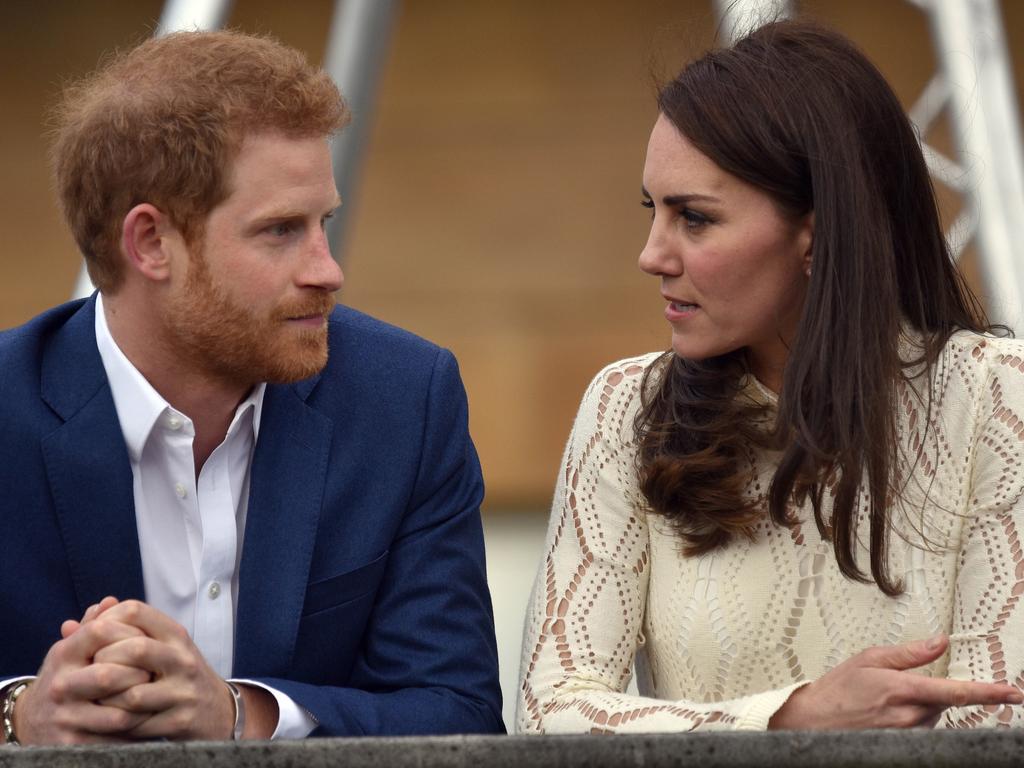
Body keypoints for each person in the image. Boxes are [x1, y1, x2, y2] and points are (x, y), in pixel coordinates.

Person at [517, 19, 1024, 733]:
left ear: (814, 232)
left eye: (694, 218)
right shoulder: (628, 406)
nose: (651, 254)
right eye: (652, 210)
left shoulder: (997, 396)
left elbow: (1001, 724)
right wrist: (787, 722)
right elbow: (551, 711)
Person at [0, 30, 503, 744]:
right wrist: (19, 718)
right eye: (280, 231)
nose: (327, 270)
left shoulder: (404, 400)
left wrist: (243, 714)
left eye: (322, 222)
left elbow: (463, 716)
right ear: (149, 243)